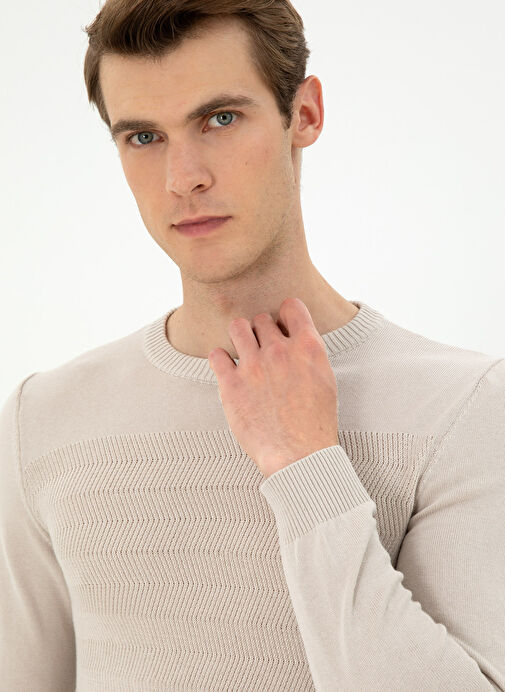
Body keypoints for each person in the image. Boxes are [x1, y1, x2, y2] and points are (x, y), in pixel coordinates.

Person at [1, 1, 503, 690]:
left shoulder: (464, 407)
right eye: (144, 137)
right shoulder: (42, 419)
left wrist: (305, 466)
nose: (183, 177)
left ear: (305, 114)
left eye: (220, 119)